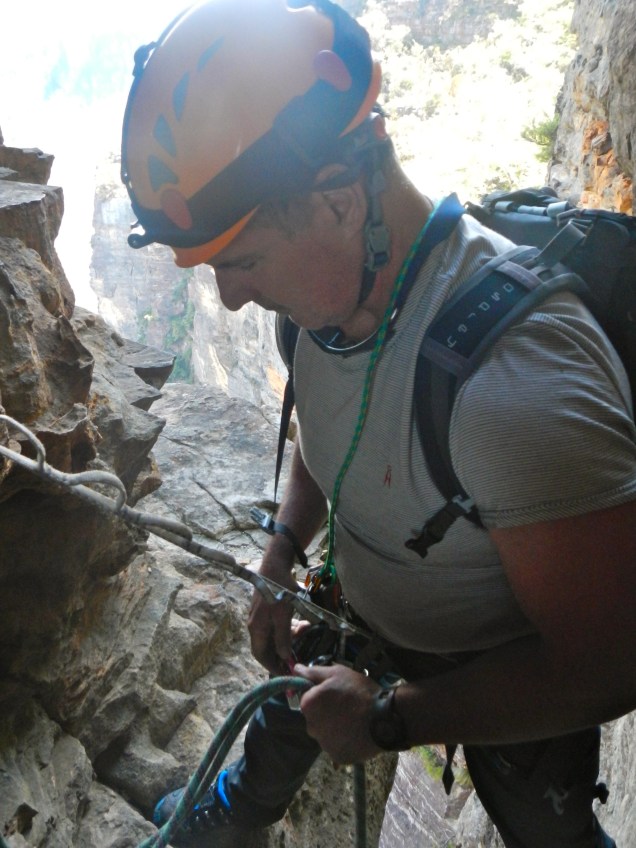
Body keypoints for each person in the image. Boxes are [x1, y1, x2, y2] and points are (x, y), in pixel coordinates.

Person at [120, 0, 636, 845]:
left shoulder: (517, 389)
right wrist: (284, 549)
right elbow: (334, 432)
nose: (233, 296)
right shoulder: (324, 304)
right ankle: (226, 823)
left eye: (241, 260)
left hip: (500, 670)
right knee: (287, 724)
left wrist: (393, 718)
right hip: (358, 608)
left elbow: (610, 660)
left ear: (334, 202)